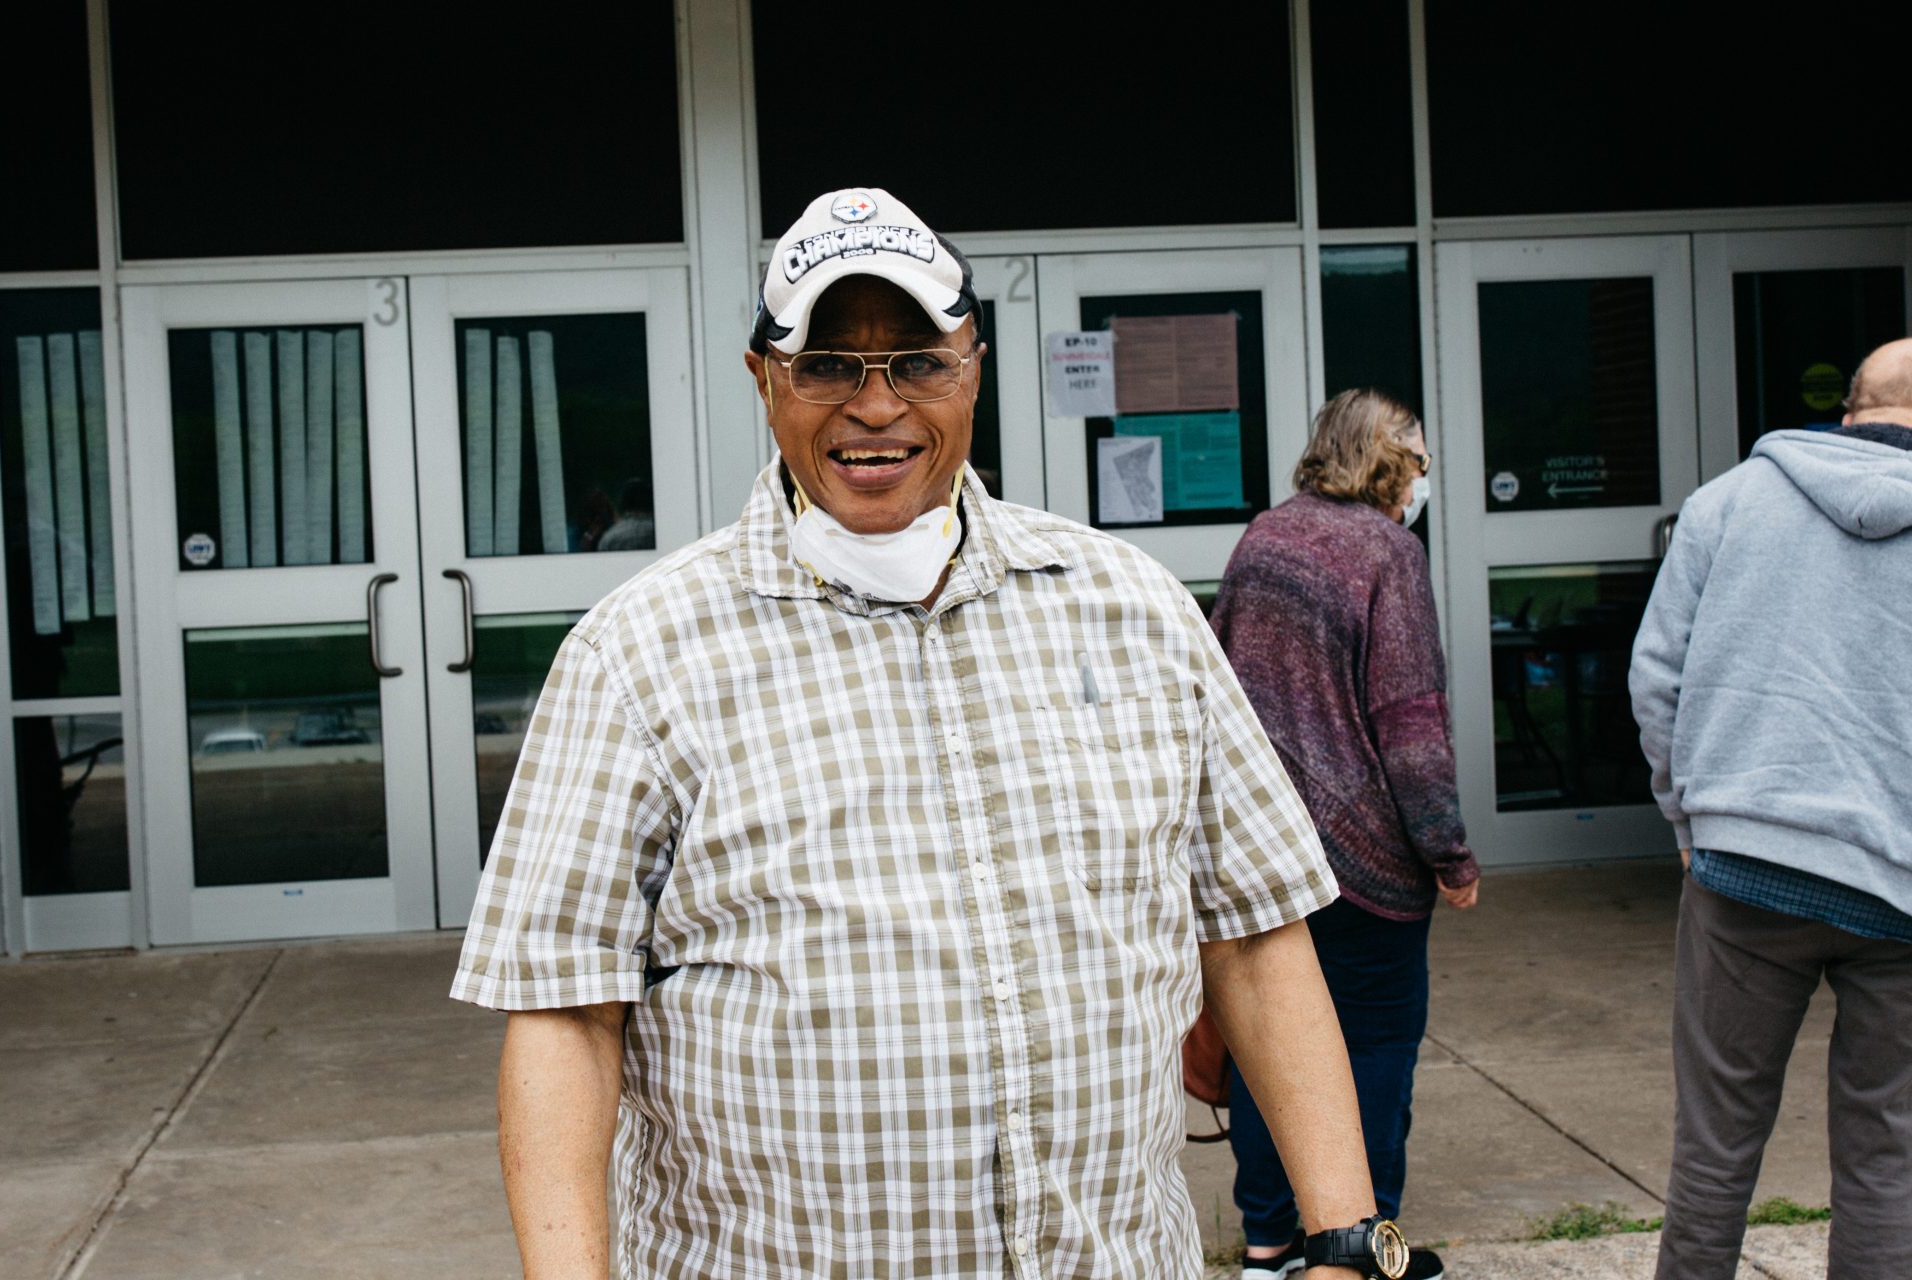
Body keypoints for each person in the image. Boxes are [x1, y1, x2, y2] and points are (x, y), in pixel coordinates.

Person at [452, 188, 1414, 1279]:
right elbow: (565, 1017)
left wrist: (1343, 1237)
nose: (876, 404)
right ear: (765, 379)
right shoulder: (636, 657)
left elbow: (1253, 934)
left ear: (973, 367)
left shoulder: (1135, 610)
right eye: (828, 364)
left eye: (917, 359)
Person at [1630, 337, 1912, 1280]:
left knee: (1713, 1144)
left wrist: (1687, 819)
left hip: (1743, 864)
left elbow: (1655, 680)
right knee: (1891, 1158)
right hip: (1903, 887)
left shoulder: (1728, 503)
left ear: (1850, 411)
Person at [1209, 389, 1478, 1280]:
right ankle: (1365, 1249)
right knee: (1374, 1045)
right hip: (1365, 862)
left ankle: (1268, 1245)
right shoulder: (1387, 552)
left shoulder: (1264, 539)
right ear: (1387, 461)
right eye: (1418, 462)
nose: (1421, 480)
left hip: (1264, 845)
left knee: (1265, 1044)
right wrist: (1449, 852)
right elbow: (1411, 725)